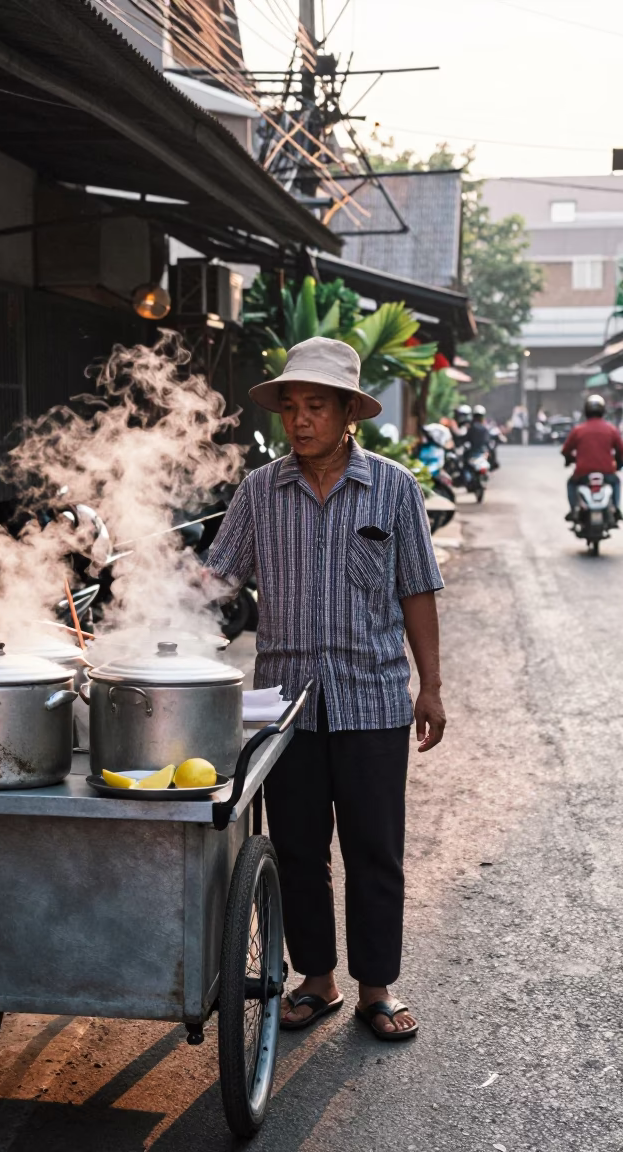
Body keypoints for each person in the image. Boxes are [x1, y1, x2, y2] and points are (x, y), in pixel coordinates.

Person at [207, 337, 446, 1041]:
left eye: (315, 406)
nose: (300, 420)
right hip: (284, 708)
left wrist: (432, 686)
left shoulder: (395, 488)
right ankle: (317, 978)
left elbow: (418, 591)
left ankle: (378, 987)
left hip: (371, 697)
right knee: (299, 849)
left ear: (348, 413)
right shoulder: (259, 490)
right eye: (291, 407)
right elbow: (217, 575)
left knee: (375, 848)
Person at [561, 395, 623, 520]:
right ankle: (615, 508)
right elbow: (621, 450)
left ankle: (574, 509)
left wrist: (570, 459)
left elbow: (565, 450)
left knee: (571, 483)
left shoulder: (578, 430)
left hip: (582, 472)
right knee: (616, 482)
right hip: (606, 471)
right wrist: (618, 463)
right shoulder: (611, 429)